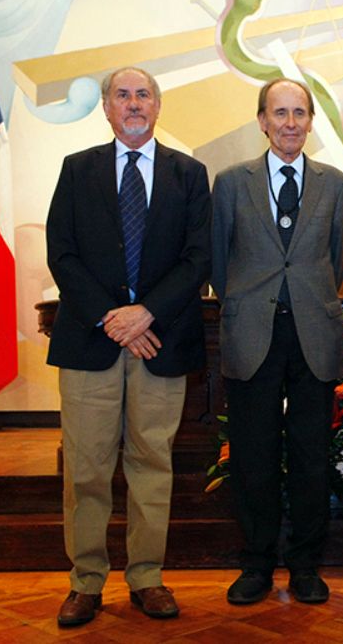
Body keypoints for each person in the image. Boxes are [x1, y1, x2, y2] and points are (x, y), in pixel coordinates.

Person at [46, 67, 212, 626]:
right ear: (107, 108)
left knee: (151, 465)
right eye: (123, 95)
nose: (134, 104)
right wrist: (110, 318)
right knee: (87, 470)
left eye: (144, 95)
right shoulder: (78, 170)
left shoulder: (189, 174)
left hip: (159, 342)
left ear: (158, 107)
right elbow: (62, 253)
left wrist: (146, 314)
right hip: (90, 341)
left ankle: (146, 577)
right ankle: (86, 581)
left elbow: (198, 258)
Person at [211, 78, 343, 605]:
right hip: (252, 331)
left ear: (311, 121)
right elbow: (220, 263)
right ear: (262, 121)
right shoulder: (230, 183)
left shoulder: (335, 183)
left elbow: (333, 260)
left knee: (313, 455)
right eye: (280, 112)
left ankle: (307, 564)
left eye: (300, 112)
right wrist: (250, 302)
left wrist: (305, 298)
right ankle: (256, 564)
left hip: (313, 332)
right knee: (253, 454)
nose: (290, 122)